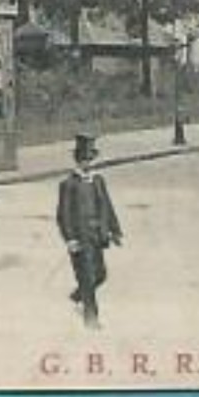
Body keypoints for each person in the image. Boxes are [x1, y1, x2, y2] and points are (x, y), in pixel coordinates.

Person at [57, 133, 122, 329]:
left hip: (97, 236)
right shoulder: (69, 184)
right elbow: (63, 215)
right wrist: (70, 239)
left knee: (100, 275)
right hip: (80, 238)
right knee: (86, 276)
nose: (87, 164)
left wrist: (114, 231)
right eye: (83, 160)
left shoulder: (98, 181)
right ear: (77, 161)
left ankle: (78, 296)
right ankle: (91, 319)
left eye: (90, 159)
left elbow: (107, 207)